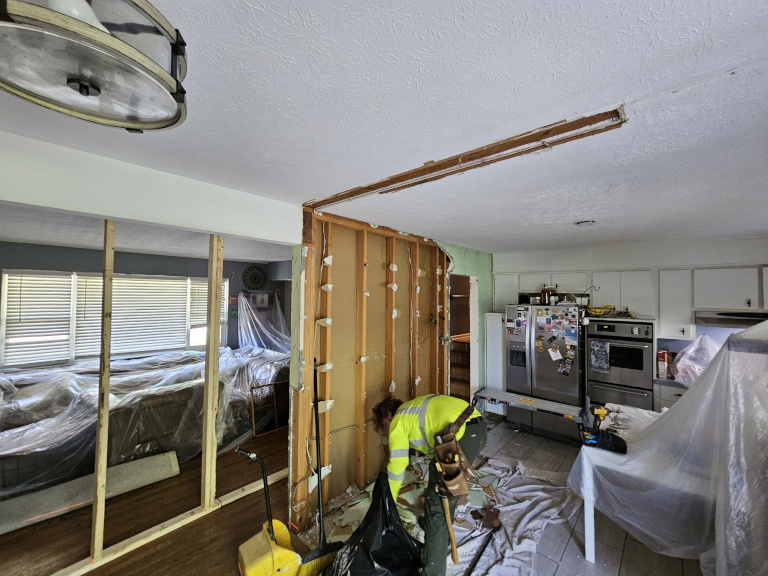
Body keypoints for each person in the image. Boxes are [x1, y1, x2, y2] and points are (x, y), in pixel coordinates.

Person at [372, 394, 487, 576]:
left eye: (384, 426)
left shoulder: (398, 421)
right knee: (444, 489)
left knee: (438, 507)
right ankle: (438, 535)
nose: (387, 432)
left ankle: (433, 570)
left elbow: (397, 465)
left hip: (460, 437)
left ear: (388, 415)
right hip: (476, 427)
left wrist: (389, 502)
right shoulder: (412, 408)